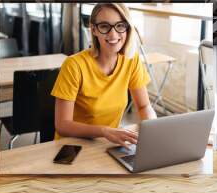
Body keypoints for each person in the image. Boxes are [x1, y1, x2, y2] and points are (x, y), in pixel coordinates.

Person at [51, 3, 157, 149]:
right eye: (104, 26)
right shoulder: (74, 65)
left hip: (107, 145)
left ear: (127, 28)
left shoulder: (132, 60)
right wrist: (104, 131)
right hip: (71, 146)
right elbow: (62, 125)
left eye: (120, 25)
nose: (113, 35)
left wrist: (154, 130)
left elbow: (144, 106)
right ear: (93, 29)